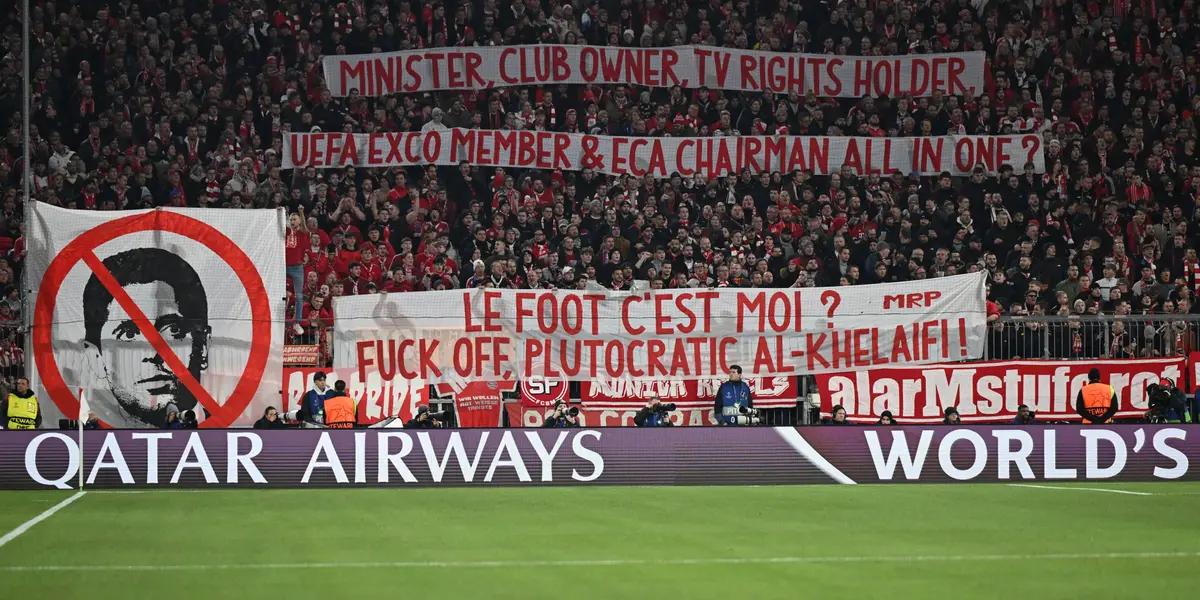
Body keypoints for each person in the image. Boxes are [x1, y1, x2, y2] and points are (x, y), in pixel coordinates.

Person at [82, 248, 211, 428]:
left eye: (173, 330)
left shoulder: (215, 429)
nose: (157, 355)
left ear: (203, 346)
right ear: (95, 357)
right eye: (129, 334)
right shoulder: (95, 432)